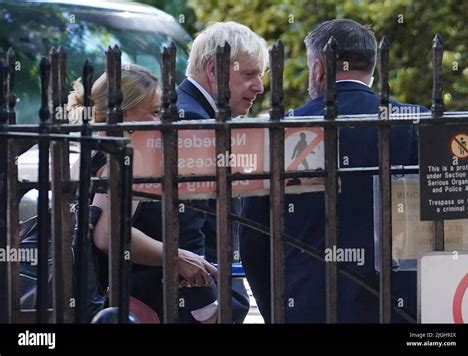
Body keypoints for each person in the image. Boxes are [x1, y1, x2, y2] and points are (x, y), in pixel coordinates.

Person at [239, 19, 427, 323]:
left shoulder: (282, 130)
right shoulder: (417, 123)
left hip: (307, 304)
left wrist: (277, 311)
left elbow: (253, 239)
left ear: (319, 70)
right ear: (372, 69)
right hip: (399, 307)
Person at [68, 64, 219, 323]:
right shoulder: (128, 156)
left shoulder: (90, 151)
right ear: (125, 112)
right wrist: (176, 255)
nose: (162, 121)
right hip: (136, 298)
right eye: (155, 112)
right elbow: (109, 235)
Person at [176, 21, 268, 323]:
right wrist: (206, 307)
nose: (259, 86)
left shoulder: (195, 112)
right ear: (214, 69)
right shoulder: (192, 118)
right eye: (249, 75)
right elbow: (185, 220)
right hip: (196, 302)